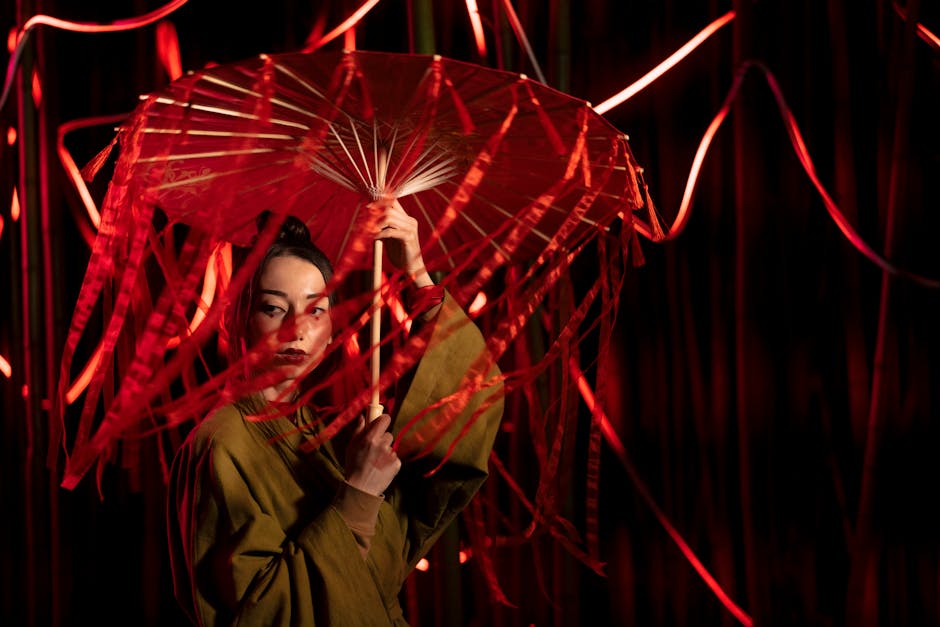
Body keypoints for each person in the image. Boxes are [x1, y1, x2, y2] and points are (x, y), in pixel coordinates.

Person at [166, 200, 504, 626]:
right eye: (273, 308)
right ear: (237, 320)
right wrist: (358, 491)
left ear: (331, 332)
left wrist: (418, 275)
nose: (296, 328)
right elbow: (266, 611)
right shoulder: (220, 443)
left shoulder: (336, 433)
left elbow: (457, 429)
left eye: (316, 309)